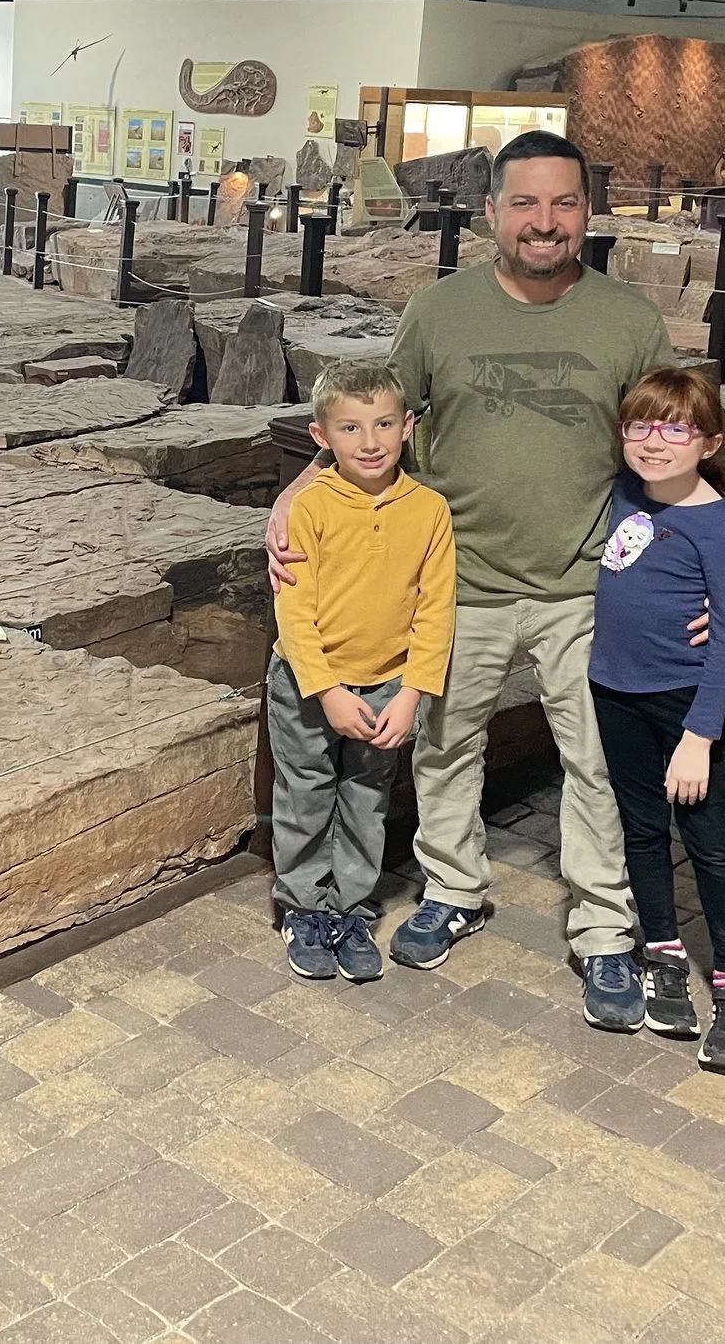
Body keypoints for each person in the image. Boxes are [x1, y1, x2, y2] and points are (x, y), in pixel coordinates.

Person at [267, 130, 677, 1030]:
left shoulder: (629, 321)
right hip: (462, 581)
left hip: (585, 582)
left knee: (596, 762)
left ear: (586, 212)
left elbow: (670, 451)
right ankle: (454, 886)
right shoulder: (439, 311)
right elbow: (371, 422)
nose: (544, 222)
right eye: (523, 203)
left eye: (563, 203)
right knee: (445, 748)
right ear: (492, 212)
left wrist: (695, 577)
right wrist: (291, 497)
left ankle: (606, 929)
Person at [590, 365, 725, 1074]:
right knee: (642, 828)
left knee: (711, 845)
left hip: (682, 704)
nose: (654, 441)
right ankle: (660, 949)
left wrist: (699, 734)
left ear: (710, 441)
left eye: (675, 429)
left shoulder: (719, 528)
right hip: (613, 691)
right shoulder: (628, 491)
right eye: (640, 425)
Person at [268, 360, 456, 983]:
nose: (369, 442)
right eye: (350, 428)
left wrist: (413, 695)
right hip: (307, 686)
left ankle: (349, 906)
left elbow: (436, 609)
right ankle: (302, 906)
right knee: (305, 795)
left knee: (367, 800)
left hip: (388, 685)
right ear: (322, 438)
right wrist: (325, 689)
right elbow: (294, 610)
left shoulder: (429, 510)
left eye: (382, 425)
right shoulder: (308, 508)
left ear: (407, 427)